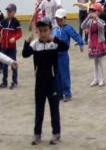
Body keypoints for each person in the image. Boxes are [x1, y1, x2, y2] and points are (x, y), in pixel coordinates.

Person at [22, 17, 69, 146]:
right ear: (37, 31)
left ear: (50, 30)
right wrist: (27, 42)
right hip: (39, 83)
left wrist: (55, 39)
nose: (43, 33)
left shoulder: (54, 44)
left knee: (54, 108)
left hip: (52, 82)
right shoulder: (35, 44)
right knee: (39, 109)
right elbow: (25, 54)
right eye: (40, 30)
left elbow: (65, 47)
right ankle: (37, 133)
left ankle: (56, 133)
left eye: (46, 30)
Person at [53, 9, 84, 102]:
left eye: (60, 19)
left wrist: (81, 43)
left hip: (63, 55)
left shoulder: (68, 28)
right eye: (57, 19)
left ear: (65, 19)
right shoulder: (55, 29)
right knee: (57, 75)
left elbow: (76, 35)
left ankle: (67, 94)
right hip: (55, 55)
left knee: (64, 75)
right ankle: (59, 94)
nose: (58, 21)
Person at [0, 3, 22, 90]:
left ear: (14, 12)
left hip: (12, 48)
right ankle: (4, 82)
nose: (8, 12)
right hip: (4, 47)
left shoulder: (16, 22)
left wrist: (14, 38)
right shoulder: (3, 21)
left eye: (10, 11)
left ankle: (14, 82)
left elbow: (19, 33)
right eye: (7, 11)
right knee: (4, 65)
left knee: (13, 64)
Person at [81, 2, 106, 87]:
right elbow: (82, 26)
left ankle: (101, 79)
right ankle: (96, 79)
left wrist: (97, 18)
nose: (92, 12)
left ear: (99, 12)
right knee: (95, 62)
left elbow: (102, 26)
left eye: (94, 11)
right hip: (93, 43)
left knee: (100, 62)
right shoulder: (90, 21)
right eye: (91, 11)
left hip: (99, 43)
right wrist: (87, 18)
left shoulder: (101, 21)